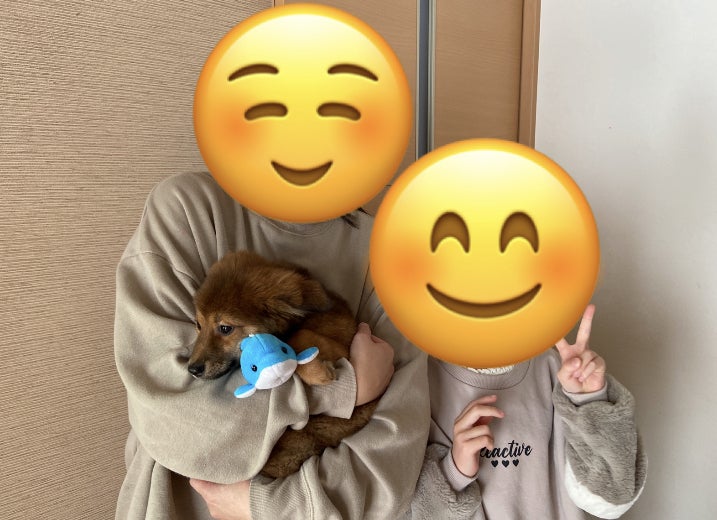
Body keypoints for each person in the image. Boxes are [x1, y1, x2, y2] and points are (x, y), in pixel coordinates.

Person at [114, 171, 430, 519]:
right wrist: (344, 389)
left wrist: (264, 507)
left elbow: (396, 454)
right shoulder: (189, 209)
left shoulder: (391, 251)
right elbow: (172, 421)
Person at [404, 304, 647, 519]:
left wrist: (589, 401)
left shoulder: (554, 370)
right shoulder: (417, 382)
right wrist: (454, 472)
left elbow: (611, 497)